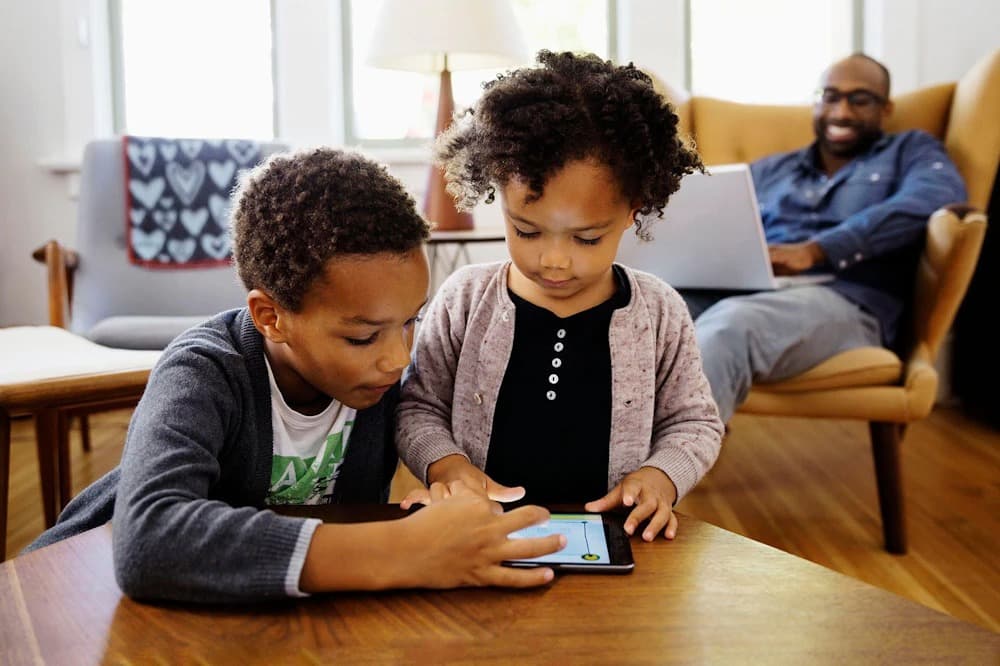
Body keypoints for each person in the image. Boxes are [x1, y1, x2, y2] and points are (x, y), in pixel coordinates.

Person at [25, 148, 565, 602]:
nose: (399, 358)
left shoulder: (370, 380)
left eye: (410, 321)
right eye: (362, 336)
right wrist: (402, 551)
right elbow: (149, 541)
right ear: (271, 317)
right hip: (69, 597)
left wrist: (441, 494)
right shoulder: (203, 372)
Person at [396, 51, 725, 543]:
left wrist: (661, 477)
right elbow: (417, 405)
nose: (554, 260)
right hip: (479, 533)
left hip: (617, 536)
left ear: (634, 210)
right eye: (526, 230)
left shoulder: (659, 311)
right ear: (498, 196)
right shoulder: (464, 298)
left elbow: (695, 422)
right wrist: (446, 467)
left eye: (586, 238)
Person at [681, 53, 968, 423]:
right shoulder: (773, 169)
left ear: (886, 108)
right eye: (830, 97)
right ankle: (605, 466)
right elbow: (712, 216)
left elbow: (935, 197)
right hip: (750, 286)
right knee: (647, 314)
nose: (841, 112)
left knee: (729, 327)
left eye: (859, 99)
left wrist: (818, 250)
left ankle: (664, 476)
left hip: (849, 300)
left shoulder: (911, 151)